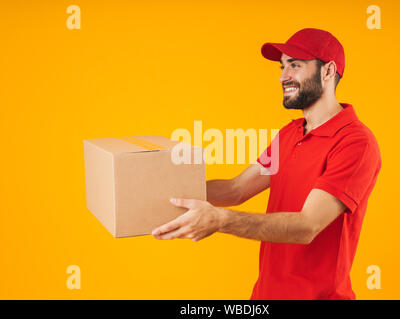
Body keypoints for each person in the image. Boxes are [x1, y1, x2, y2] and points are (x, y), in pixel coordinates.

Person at [152, 28, 382, 300]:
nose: (283, 76)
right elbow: (236, 189)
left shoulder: (356, 142)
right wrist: (161, 193)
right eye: (282, 66)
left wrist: (220, 220)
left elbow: (307, 226)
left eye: (295, 65)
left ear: (328, 71)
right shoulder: (290, 134)